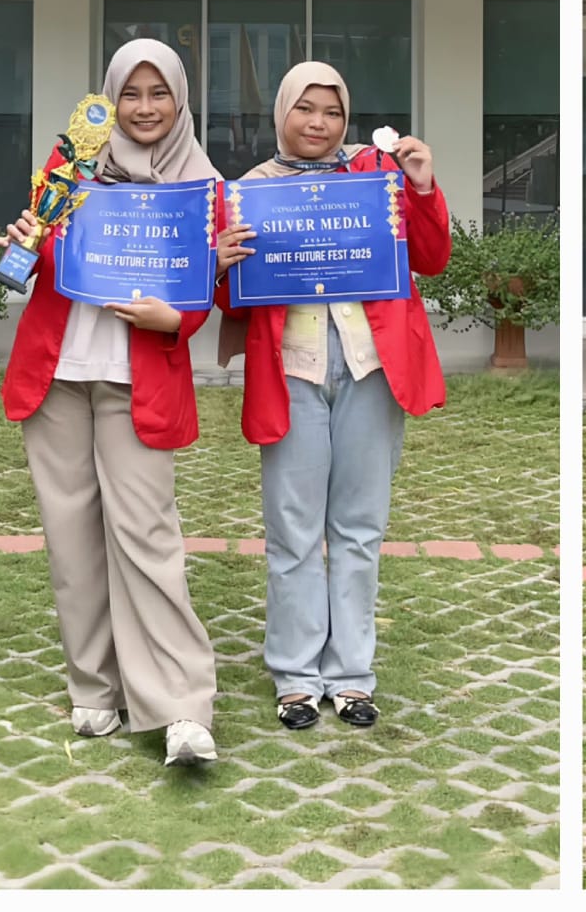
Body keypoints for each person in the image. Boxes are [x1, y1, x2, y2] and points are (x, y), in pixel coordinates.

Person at [0, 39, 220, 766]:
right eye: (132, 93)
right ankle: (95, 691)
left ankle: (182, 707)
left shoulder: (201, 184)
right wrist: (26, 244)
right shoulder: (70, 173)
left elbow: (202, 294)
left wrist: (175, 319)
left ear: (180, 101)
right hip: (57, 373)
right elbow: (33, 266)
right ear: (112, 98)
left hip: (139, 380)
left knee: (147, 537)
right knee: (71, 539)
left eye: (160, 94)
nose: (146, 108)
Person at [215, 62, 451, 732]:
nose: (319, 123)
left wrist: (424, 185)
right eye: (305, 109)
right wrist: (222, 260)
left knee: (359, 528)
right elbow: (233, 297)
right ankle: (295, 677)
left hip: (370, 367)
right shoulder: (251, 191)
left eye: (332, 112)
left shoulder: (376, 180)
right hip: (290, 371)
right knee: (292, 531)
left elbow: (431, 257)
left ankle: (350, 677)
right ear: (282, 112)